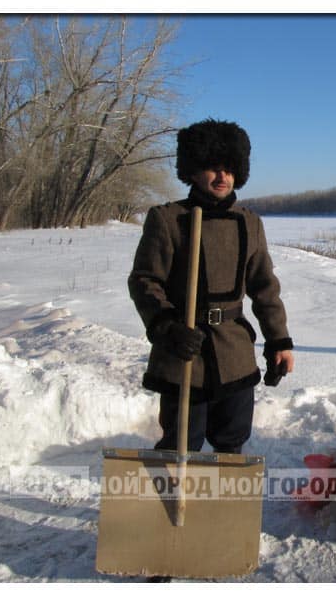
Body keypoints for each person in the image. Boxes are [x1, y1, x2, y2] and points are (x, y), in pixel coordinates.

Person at [128, 118, 294, 455]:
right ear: (192, 170)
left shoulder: (249, 223)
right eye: (213, 168)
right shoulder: (168, 219)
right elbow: (145, 280)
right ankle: (170, 491)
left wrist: (279, 341)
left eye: (230, 169)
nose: (222, 177)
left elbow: (265, 287)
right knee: (180, 446)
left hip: (235, 353)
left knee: (231, 442)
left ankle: (223, 493)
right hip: (183, 351)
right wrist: (167, 327)